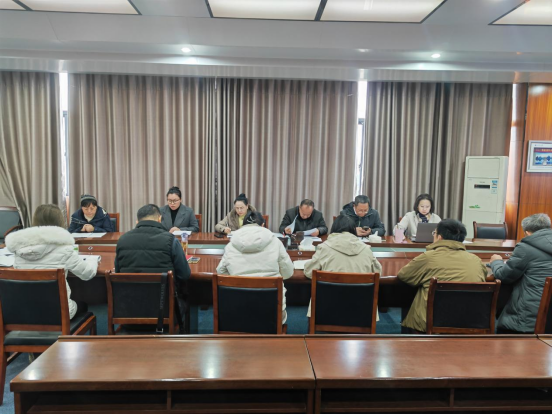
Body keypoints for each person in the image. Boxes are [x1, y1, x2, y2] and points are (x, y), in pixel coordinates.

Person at [6, 204, 97, 319]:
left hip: (24, 312)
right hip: (58, 313)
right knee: (82, 304)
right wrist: (94, 260)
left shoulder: (19, 249)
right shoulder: (64, 249)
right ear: (60, 222)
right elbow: (87, 274)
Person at [397, 219, 487, 333]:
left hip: (433, 323)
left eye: (434, 233)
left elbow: (404, 275)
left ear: (439, 237)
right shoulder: (476, 261)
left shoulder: (428, 258)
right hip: (470, 322)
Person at [115, 204, 191, 327]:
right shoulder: (170, 240)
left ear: (137, 221)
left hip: (129, 310)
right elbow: (185, 274)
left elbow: (118, 274)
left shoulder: (122, 240)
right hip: (164, 311)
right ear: (159, 219)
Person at [216, 212, 294, 323]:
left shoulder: (231, 245)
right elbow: (288, 272)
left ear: (243, 225)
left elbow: (220, 272)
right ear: (263, 225)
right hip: (271, 313)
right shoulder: (275, 242)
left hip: (237, 312)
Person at [304, 215, 382, 318]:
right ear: (353, 230)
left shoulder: (324, 248)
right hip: (361, 312)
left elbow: (308, 272)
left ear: (334, 229)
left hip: (326, 310)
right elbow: (378, 273)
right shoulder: (366, 250)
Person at [490, 213, 552, 334]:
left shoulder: (526, 248)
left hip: (528, 320)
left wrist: (496, 262)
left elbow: (504, 276)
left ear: (527, 232)